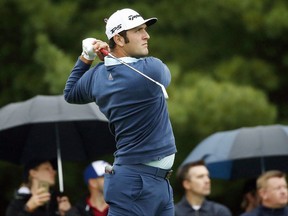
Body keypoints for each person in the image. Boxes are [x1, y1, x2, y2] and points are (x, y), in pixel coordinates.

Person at [64, 8, 176, 216]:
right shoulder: (151, 70)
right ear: (119, 39)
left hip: (154, 182)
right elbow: (159, 75)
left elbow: (70, 93)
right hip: (135, 182)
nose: (147, 35)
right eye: (138, 31)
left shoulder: (97, 76)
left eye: (145, 29)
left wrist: (87, 57)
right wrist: (107, 59)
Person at [6, 159, 71, 216]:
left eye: (53, 169)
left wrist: (66, 213)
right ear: (33, 173)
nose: (54, 172)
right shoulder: (18, 202)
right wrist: (28, 209)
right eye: (47, 168)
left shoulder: (57, 201)